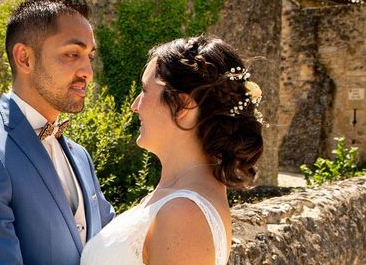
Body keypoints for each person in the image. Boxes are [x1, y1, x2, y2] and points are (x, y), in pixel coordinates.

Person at [0, 0, 115, 265]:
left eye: (90, 56)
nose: (88, 71)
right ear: (24, 58)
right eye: (73, 54)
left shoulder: (80, 155)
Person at [81, 35, 264, 265]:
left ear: (181, 105)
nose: (134, 106)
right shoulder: (175, 197)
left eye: (145, 91)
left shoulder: (183, 214)